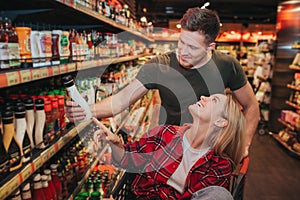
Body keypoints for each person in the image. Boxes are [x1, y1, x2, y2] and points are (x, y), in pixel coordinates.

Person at [66, 7, 259, 155]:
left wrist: (245, 144)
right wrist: (87, 109)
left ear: (210, 47)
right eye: (182, 42)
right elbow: (122, 99)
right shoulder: (159, 65)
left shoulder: (227, 65)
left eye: (192, 47)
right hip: (170, 150)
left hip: (210, 153)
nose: (183, 51)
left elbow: (251, 107)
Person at [92, 93, 245, 200]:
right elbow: (127, 159)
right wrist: (116, 144)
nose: (203, 97)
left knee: (220, 195)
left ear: (221, 122)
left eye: (214, 100)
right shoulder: (164, 134)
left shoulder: (219, 165)